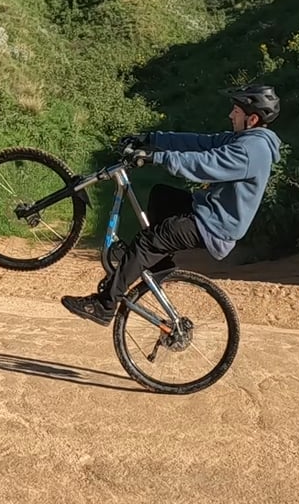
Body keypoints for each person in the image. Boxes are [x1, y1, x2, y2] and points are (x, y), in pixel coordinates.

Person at [61, 84, 283, 326]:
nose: (231, 115)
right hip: (209, 212)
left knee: (146, 243)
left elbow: (205, 162)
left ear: (252, 119)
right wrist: (151, 139)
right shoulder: (245, 139)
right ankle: (158, 264)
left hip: (213, 226)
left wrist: (157, 157)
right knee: (162, 196)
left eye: (236, 111)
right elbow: (200, 143)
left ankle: (104, 305)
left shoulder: (251, 150)